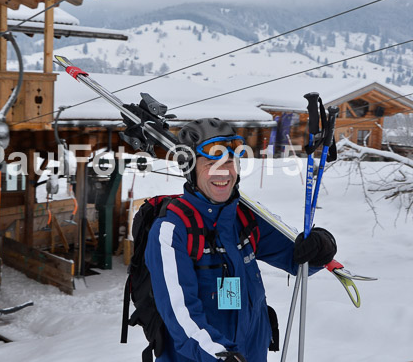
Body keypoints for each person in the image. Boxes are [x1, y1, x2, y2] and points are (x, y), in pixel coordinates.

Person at [144, 118, 337, 362]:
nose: (223, 171)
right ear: (191, 169)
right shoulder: (173, 229)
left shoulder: (243, 219)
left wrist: (320, 247)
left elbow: (296, 259)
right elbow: (181, 316)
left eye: (230, 161)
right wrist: (222, 354)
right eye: (211, 162)